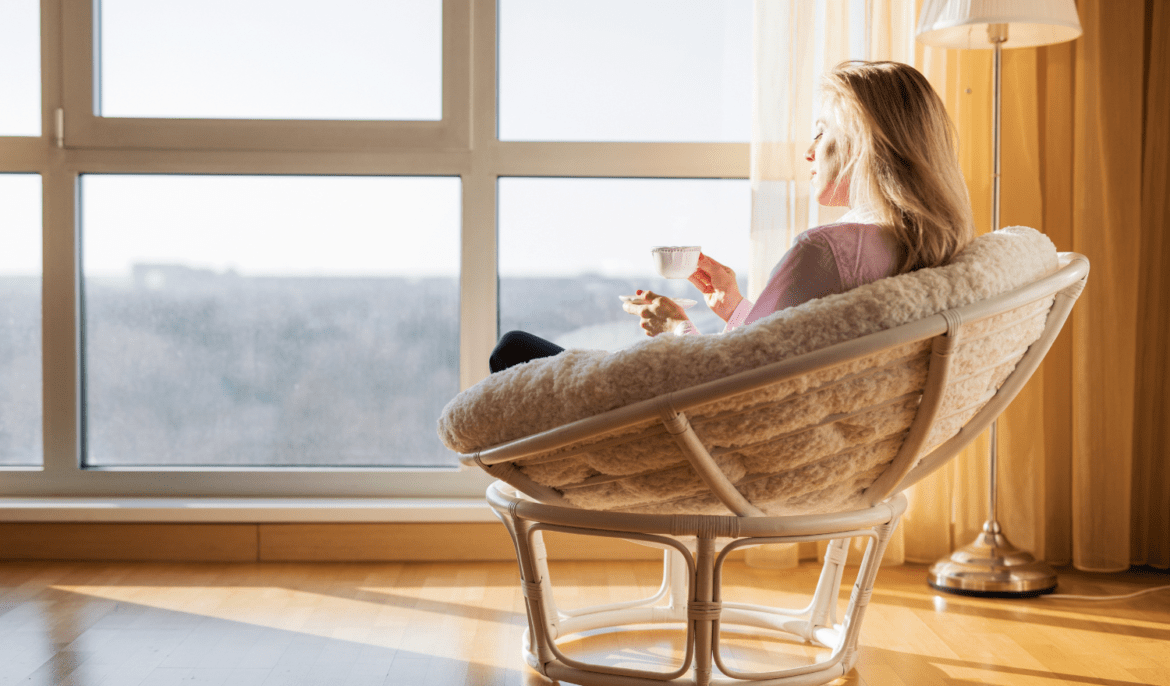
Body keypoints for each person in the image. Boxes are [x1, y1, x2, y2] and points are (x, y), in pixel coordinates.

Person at [490, 60, 973, 373]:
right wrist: (734, 308)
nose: (807, 152)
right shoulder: (913, 249)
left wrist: (673, 328)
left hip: (696, 440)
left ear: (862, 144)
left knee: (512, 350)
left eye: (821, 132)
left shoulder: (828, 251)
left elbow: (726, 382)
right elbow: (770, 355)